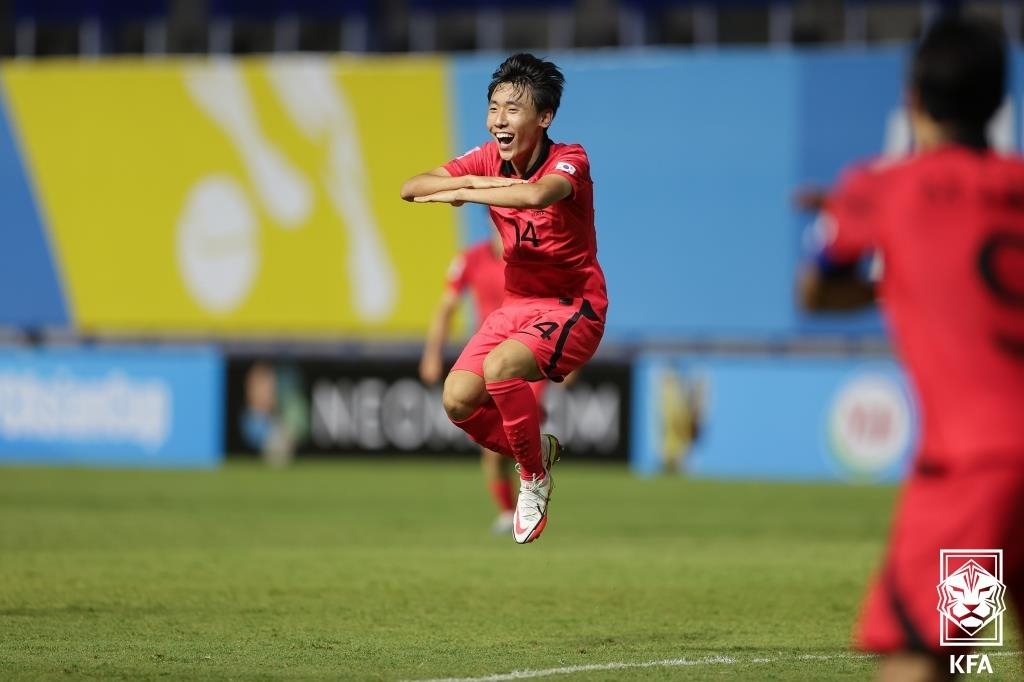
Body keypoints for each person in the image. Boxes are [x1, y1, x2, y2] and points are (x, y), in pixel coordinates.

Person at [797, 15, 1024, 681]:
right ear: (998, 100)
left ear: (912, 99)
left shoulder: (882, 188)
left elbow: (817, 287)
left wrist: (890, 272)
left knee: (926, 656)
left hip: (978, 473)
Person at [401, 53, 607, 544]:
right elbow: (412, 188)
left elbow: (537, 195)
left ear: (544, 117)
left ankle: (533, 481)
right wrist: (469, 180)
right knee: (456, 399)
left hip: (573, 305)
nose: (499, 120)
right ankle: (538, 453)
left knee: (500, 370)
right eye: (494, 107)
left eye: (513, 109)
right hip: (516, 307)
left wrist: (469, 187)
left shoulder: (570, 159)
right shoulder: (487, 158)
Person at [419, 230, 547, 535]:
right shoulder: (470, 259)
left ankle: (528, 492)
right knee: (497, 444)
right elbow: (446, 306)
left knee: (512, 432)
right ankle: (510, 507)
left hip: (524, 355)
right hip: (486, 356)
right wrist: (432, 354)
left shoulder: (530, 258)